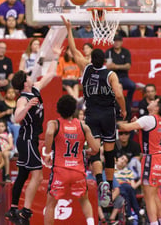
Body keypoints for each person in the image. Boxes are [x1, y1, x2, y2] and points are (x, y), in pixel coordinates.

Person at [62, 16, 127, 208]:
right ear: (105, 61)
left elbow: (73, 50)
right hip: (108, 115)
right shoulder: (111, 74)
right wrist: (122, 109)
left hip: (91, 115)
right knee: (109, 154)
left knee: (93, 152)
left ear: (92, 59)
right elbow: (119, 95)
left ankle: (101, 183)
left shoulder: (86, 68)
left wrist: (69, 30)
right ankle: (109, 181)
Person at [4, 44, 62, 224]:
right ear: (24, 83)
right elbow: (15, 117)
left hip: (30, 139)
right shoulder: (22, 98)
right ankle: (26, 211)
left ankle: (13, 209)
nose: (31, 77)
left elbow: (50, 75)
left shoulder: (35, 87)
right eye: (27, 77)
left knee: (22, 174)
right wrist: (28, 106)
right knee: (38, 176)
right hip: (27, 139)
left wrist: (56, 57)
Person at [43, 95, 99, 225]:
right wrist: (85, 151)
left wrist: (48, 150)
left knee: (51, 204)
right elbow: (96, 149)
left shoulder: (54, 124)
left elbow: (50, 133)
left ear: (58, 109)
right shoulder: (83, 126)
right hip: (78, 171)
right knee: (84, 200)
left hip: (60, 171)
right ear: (74, 110)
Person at [118, 98, 161, 225]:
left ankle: (153, 223)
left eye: (154, 101)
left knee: (148, 196)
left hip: (151, 158)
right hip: (160, 158)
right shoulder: (160, 121)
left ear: (157, 108)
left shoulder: (148, 119)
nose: (150, 101)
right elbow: (150, 135)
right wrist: (139, 126)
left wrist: (108, 121)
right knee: (155, 194)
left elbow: (125, 127)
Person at [105, 35, 135, 120]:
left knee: (132, 86)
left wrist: (116, 66)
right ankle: (113, 105)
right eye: (115, 41)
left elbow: (128, 66)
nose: (116, 42)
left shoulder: (126, 52)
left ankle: (127, 103)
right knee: (113, 88)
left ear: (121, 42)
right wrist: (120, 66)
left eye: (118, 41)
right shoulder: (108, 52)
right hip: (112, 77)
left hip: (123, 77)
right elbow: (108, 66)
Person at [113, 154, 142, 221]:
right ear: (117, 159)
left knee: (128, 191)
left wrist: (141, 180)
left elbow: (133, 186)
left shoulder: (128, 171)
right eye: (122, 159)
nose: (123, 161)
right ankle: (137, 212)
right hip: (118, 187)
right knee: (127, 190)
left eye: (125, 161)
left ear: (126, 164)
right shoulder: (112, 169)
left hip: (128, 188)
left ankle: (129, 214)